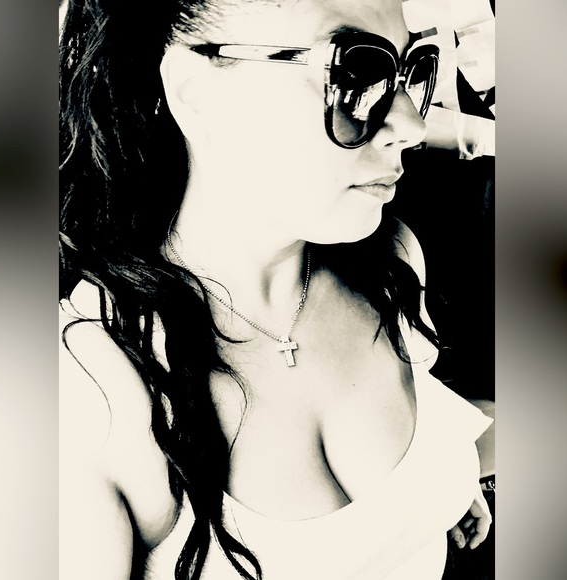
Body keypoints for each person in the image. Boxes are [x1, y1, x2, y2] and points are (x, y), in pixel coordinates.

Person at [59, 0, 493, 579]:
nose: (413, 125)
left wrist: (439, 485)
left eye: (409, 69)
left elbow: (408, 438)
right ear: (197, 94)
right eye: (354, 74)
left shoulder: (391, 264)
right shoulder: (88, 398)